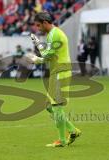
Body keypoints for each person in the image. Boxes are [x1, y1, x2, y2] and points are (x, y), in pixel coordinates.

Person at [28, 12, 81, 147]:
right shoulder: (53, 34)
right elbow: (49, 56)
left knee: (56, 106)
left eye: (39, 25)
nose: (38, 28)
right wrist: (38, 58)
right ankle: (73, 131)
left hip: (60, 72)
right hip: (56, 71)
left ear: (45, 22)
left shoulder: (54, 34)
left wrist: (38, 44)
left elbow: (46, 54)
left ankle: (62, 141)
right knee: (48, 106)